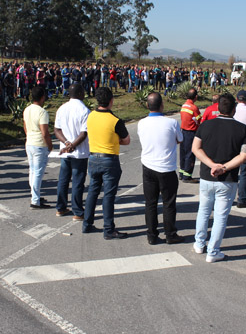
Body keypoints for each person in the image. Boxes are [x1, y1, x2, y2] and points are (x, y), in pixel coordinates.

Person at [192, 93, 246, 262]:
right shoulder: (242, 129)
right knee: (220, 216)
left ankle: (199, 243)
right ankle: (213, 251)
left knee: (203, 211)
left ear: (218, 108)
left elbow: (196, 148)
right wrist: (223, 168)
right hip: (228, 179)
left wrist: (211, 165)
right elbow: (244, 156)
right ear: (234, 109)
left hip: (206, 177)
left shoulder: (205, 126)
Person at [83, 87, 130, 239]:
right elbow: (127, 140)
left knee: (92, 192)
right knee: (108, 196)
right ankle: (108, 229)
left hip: (93, 158)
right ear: (111, 101)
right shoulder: (115, 120)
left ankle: (87, 223)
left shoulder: (90, 116)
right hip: (109, 159)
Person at [138, 92, 185, 245]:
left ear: (147, 105)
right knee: (168, 203)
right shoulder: (171, 123)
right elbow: (180, 139)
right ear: (162, 105)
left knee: (150, 203)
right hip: (166, 168)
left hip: (148, 167)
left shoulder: (141, 123)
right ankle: (170, 234)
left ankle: (151, 235)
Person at [54, 84, 90, 220]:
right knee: (77, 181)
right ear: (80, 92)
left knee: (63, 180)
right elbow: (84, 133)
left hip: (65, 151)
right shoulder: (84, 110)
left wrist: (66, 143)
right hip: (79, 152)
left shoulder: (61, 108)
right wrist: (72, 145)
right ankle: (77, 211)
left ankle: (61, 207)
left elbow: (57, 130)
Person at [23, 86, 53, 209]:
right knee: (38, 173)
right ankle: (35, 200)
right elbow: (45, 132)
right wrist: (50, 145)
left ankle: (35, 194)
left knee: (32, 171)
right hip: (39, 144)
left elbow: (25, 126)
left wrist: (29, 135)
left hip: (29, 142)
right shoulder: (42, 112)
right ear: (42, 97)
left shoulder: (27, 109)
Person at [179, 88, 201, 183]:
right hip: (191, 132)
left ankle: (182, 173)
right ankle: (187, 176)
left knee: (183, 153)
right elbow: (199, 120)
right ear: (195, 97)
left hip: (183, 131)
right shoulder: (194, 108)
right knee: (190, 154)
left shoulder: (184, 105)